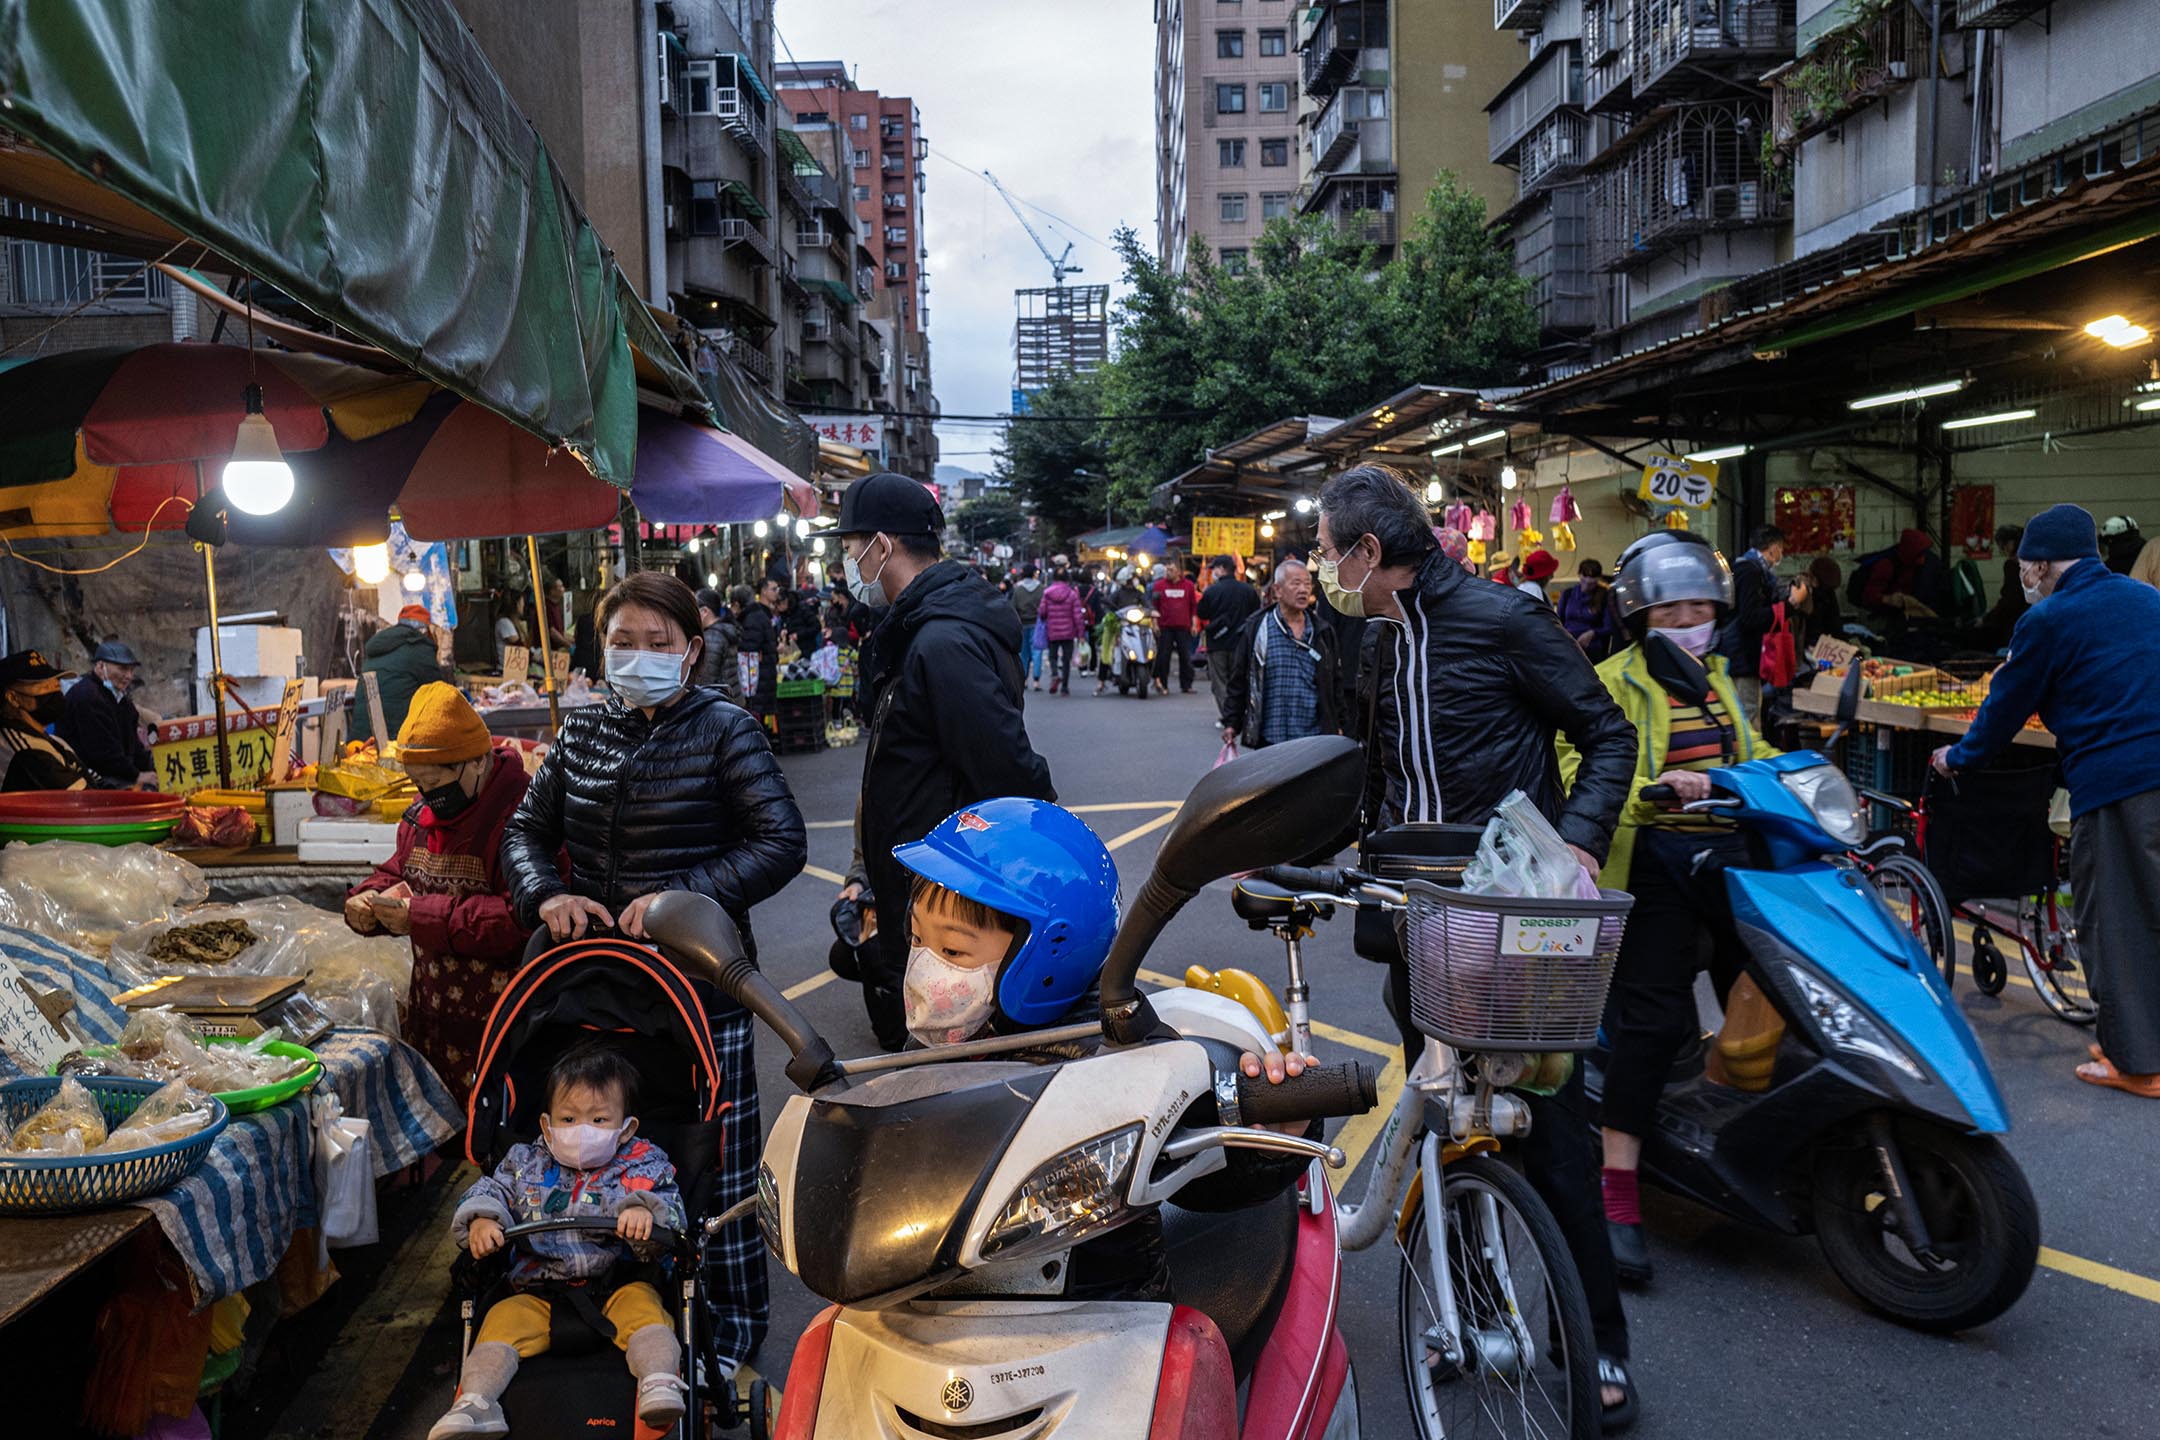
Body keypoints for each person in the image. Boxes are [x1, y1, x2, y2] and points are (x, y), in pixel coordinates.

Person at [1314, 463, 1640, 1425]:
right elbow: (1370, 770)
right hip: (1419, 923)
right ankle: (1472, 1316)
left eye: (1332, 552)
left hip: (1516, 929)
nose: (1325, 568)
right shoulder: (1373, 639)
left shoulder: (1503, 620)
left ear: (1371, 553)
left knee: (1557, 1144)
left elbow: (1607, 735)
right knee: (1436, 1128)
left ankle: (1602, 1346)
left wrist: (1576, 842)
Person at [501, 571, 807, 1381]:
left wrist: (685, 898)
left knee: (718, 1176)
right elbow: (527, 827)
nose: (638, 657)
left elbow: (781, 843)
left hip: (705, 989)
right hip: (603, 992)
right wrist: (545, 892)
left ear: (692, 650)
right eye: (622, 643)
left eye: (657, 643)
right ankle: (613, 1318)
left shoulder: (727, 729)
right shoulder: (583, 731)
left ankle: (732, 1340)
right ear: (601, 651)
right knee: (610, 1163)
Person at [1556, 531, 1777, 1285]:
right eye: (1670, 606)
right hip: (1651, 864)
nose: (1688, 617)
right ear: (1640, 614)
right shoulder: (1611, 678)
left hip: (1727, 858)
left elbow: (1751, 754)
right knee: (1650, 1023)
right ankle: (1619, 1191)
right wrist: (1653, 789)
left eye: (1698, 605)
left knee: (1782, 982)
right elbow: (1574, 758)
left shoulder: (1718, 680)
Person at [1931, 505, 2160, 1099]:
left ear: (2042, 564)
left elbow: (2003, 709)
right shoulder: (2145, 600)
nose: (2023, 579)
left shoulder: (2049, 620)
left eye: (2025, 567)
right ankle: (2138, 1041)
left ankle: (2136, 1064)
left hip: (2117, 784)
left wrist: (1957, 759)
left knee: (2115, 922)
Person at [832, 471, 1054, 1050]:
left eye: (853, 551)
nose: (850, 567)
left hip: (948, 892)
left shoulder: (942, 642)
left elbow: (1007, 768)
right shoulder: (918, 630)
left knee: (948, 1056)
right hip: (924, 879)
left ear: (882, 546)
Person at [430, 1042, 687, 1440]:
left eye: (600, 1119)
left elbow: (671, 1209)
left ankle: (657, 1380)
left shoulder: (642, 1163)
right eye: (568, 1118)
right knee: (498, 1325)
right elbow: (491, 1189)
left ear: (626, 1128)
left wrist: (646, 1213)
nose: (582, 1131)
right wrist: (482, 1217)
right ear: (548, 1126)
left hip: (618, 1284)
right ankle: (477, 1402)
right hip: (537, 1288)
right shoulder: (523, 1162)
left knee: (648, 1318)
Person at [345, 683, 534, 1105]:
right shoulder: (420, 814)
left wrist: (421, 917)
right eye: (417, 782)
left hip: (504, 1033)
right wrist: (367, 898)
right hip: (433, 1023)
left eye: (434, 781)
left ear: (478, 762)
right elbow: (400, 870)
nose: (426, 793)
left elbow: (523, 918)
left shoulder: (523, 816)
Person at [1218, 559, 1340, 750]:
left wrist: (1339, 723)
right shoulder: (1257, 629)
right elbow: (1239, 678)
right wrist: (1231, 723)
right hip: (1270, 737)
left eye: (1307, 584)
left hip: (1313, 737)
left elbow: (1334, 682)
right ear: (1278, 590)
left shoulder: (1322, 632)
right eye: (1296, 583)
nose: (1303, 590)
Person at [1716, 524, 1808, 723]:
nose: (1781, 555)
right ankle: (1749, 756)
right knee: (1747, 719)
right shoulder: (1750, 572)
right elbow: (1751, 618)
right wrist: (1792, 604)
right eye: (1781, 549)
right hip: (1742, 659)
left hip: (1737, 656)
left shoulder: (1741, 566)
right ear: (1773, 549)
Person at [57, 641, 155, 789]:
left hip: (117, 772)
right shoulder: (87, 697)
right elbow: (103, 754)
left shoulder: (122, 701)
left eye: (131, 670)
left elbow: (133, 746)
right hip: (90, 778)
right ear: (100, 666)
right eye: (122, 669)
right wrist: (137, 775)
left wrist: (153, 768)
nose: (128, 676)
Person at [354, 604, 448, 745]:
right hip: (394, 742)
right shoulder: (420, 648)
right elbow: (439, 695)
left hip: (359, 741)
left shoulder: (379, 646)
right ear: (424, 630)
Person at [0, 650, 89, 791]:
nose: (54, 688)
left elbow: (95, 782)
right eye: (43, 685)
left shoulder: (54, 741)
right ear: (13, 697)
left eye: (56, 682)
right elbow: (82, 799)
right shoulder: (25, 751)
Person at [1197, 553, 1262, 723]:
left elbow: (1202, 612)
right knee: (1241, 680)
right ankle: (1242, 714)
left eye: (1215, 569)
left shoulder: (1212, 590)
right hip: (1242, 643)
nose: (1213, 572)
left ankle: (1228, 717)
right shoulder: (1248, 590)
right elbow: (1257, 612)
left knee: (1220, 681)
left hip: (1217, 642)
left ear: (1222, 569)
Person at [1857, 527, 1948, 618]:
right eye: (1919, 556)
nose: (1922, 560)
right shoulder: (1887, 566)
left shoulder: (1926, 563)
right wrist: (1887, 599)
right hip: (1890, 610)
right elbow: (1869, 595)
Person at [1149, 559, 1201, 694]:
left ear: (1178, 572)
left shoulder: (1188, 586)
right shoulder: (1159, 585)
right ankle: (1163, 684)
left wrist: (1194, 624)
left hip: (1183, 626)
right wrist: (1155, 624)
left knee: (1185, 656)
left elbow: (1193, 607)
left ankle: (1186, 684)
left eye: (1171, 570)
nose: (1168, 573)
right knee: (1163, 656)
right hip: (1165, 626)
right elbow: (1155, 606)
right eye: (1167, 570)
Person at [1556, 560, 1625, 662]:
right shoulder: (1567, 594)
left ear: (1598, 578)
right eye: (1585, 575)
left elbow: (1609, 627)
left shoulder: (1604, 596)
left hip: (1592, 651)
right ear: (1579, 574)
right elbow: (1558, 621)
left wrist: (1593, 633)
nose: (1588, 580)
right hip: (1568, 647)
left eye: (1592, 577)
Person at [1039, 567, 1091, 696]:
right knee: (1066, 660)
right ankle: (1065, 688)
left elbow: (1042, 612)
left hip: (1052, 630)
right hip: (1068, 631)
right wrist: (1081, 634)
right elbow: (1077, 616)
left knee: (1052, 656)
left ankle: (1055, 674)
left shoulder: (1047, 593)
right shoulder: (1072, 594)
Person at [736, 579, 779, 723]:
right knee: (758, 713)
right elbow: (752, 648)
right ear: (763, 591)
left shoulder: (756, 616)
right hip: (761, 675)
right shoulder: (758, 616)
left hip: (760, 675)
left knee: (758, 712)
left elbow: (751, 648)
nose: (777, 593)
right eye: (774, 589)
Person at [693, 587, 741, 705]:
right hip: (733, 697)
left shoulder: (711, 638)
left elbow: (706, 679)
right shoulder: (725, 630)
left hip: (720, 702)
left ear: (704, 612)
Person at [1793, 555, 1845, 657]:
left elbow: (1835, 624)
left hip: (1822, 645)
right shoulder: (1799, 591)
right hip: (1804, 648)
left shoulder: (1827, 592)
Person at [1010, 562, 1046, 692]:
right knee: (1037, 651)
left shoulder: (1018, 589)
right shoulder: (1041, 588)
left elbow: (1012, 607)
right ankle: (1036, 681)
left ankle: (1023, 680)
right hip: (1037, 623)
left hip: (1021, 624)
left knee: (1023, 653)